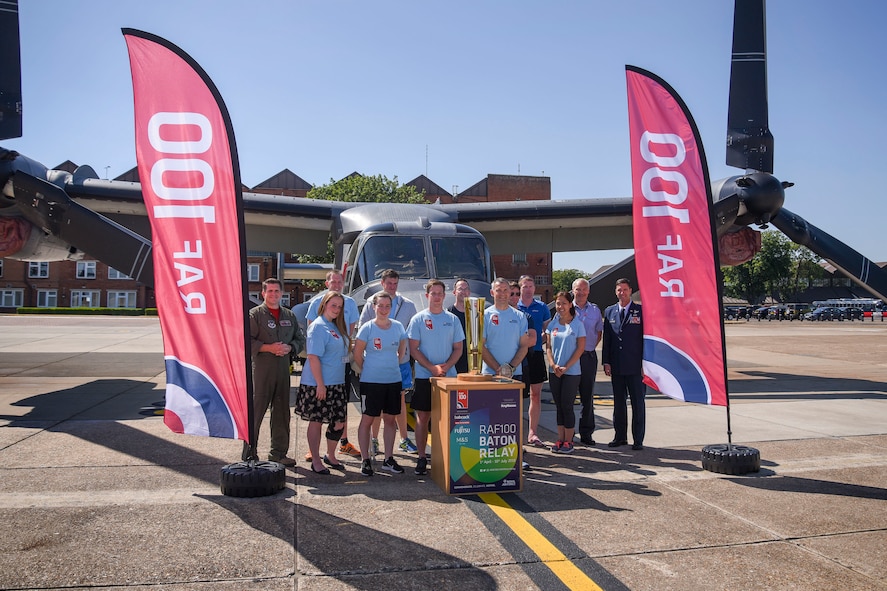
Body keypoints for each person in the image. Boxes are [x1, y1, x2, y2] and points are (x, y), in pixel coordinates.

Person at [242, 278, 305, 466]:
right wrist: (268, 348)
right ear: (263, 294)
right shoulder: (255, 315)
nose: (273, 294)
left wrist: (290, 348)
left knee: (281, 413)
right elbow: (246, 341)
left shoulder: (289, 315)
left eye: (276, 291)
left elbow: (299, 339)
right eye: (269, 291)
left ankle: (278, 453)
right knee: (255, 412)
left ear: (281, 293)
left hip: (283, 370)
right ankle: (249, 454)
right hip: (261, 370)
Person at [407, 279, 465, 475]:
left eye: (440, 293)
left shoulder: (453, 320)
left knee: (450, 420)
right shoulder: (418, 319)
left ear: (444, 295)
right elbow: (413, 349)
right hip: (425, 377)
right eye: (434, 293)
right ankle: (422, 456)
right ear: (427, 296)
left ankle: (448, 457)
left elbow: (458, 348)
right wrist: (432, 367)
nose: (437, 296)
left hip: (449, 378)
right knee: (423, 417)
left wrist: (446, 367)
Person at [358, 269, 419, 454]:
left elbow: (409, 334)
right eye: (389, 283)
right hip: (375, 366)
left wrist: (402, 358)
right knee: (375, 408)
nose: (392, 287)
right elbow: (362, 331)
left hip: (399, 364)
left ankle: (404, 439)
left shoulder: (408, 305)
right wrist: (367, 365)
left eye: (395, 284)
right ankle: (374, 440)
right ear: (382, 283)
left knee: (398, 402)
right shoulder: (371, 303)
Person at [304, 269, 362, 460]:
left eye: (339, 282)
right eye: (333, 282)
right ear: (327, 284)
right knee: (318, 418)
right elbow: (314, 351)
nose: (337, 308)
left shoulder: (349, 305)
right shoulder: (318, 318)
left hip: (339, 369)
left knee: (339, 413)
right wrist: (319, 382)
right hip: (320, 375)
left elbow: (349, 333)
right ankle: (314, 453)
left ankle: (338, 446)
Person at [293, 291, 351, 475]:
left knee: (339, 422)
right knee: (316, 422)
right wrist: (320, 384)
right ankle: (316, 460)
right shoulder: (318, 327)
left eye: (340, 306)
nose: (336, 309)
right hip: (318, 384)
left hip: (337, 382)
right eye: (333, 305)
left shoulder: (336, 327)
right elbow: (313, 357)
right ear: (324, 304)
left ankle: (330, 455)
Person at [352, 292, 408, 476]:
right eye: (380, 306)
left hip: (393, 380)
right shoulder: (367, 328)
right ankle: (365, 459)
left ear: (391, 308)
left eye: (387, 306)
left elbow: (401, 352)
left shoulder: (398, 327)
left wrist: (390, 365)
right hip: (371, 382)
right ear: (373, 307)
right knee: (367, 419)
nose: (383, 309)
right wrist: (368, 369)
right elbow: (358, 354)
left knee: (390, 420)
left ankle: (388, 459)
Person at [602, 278, 646, 451]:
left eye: (625, 290)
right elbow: (608, 340)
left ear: (631, 291)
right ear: (616, 292)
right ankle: (620, 437)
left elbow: (646, 339)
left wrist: (646, 364)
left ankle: (638, 439)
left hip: (636, 367)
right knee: (619, 404)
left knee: (638, 403)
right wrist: (606, 361)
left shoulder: (641, 311)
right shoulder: (610, 311)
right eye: (619, 290)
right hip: (617, 366)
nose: (622, 293)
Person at [545, 291, 586, 454]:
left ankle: (569, 441)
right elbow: (548, 347)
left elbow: (580, 348)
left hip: (572, 372)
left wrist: (566, 366)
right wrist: (553, 365)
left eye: (563, 303)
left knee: (567, 406)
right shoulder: (552, 324)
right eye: (558, 303)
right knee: (559, 406)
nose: (560, 306)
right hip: (554, 371)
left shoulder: (578, 324)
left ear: (570, 305)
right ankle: (560, 439)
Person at [516, 275, 550, 448]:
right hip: (518, 356)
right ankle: (516, 435)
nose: (528, 289)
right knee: (515, 397)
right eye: (524, 286)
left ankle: (533, 433)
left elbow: (548, 331)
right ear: (520, 288)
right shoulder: (514, 305)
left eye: (530, 286)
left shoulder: (542, 307)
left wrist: (538, 341)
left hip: (536, 354)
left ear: (534, 289)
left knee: (535, 395)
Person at [571, 277, 604, 446]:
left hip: (588, 357)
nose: (581, 292)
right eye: (578, 289)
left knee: (587, 396)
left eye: (584, 289)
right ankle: (568, 434)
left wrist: (588, 348)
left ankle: (586, 433)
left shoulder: (595, 310)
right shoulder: (566, 309)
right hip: (570, 359)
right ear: (573, 291)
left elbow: (599, 333)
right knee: (568, 397)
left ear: (588, 291)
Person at [447, 277, 470, 374]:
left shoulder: (475, 312)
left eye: (466, 289)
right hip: (454, 357)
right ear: (454, 292)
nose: (463, 292)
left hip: (470, 358)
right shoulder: (449, 312)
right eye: (460, 289)